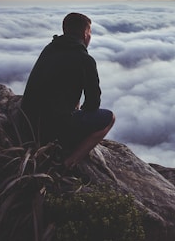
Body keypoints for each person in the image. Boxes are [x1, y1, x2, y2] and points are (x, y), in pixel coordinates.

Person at [21, 12, 115, 169]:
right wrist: (77, 114)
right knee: (109, 118)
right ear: (85, 34)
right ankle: (67, 163)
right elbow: (93, 104)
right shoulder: (85, 59)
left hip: (27, 124)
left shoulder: (50, 48)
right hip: (52, 130)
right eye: (90, 32)